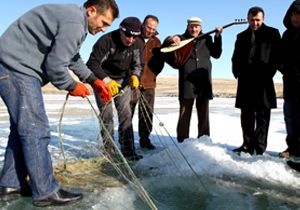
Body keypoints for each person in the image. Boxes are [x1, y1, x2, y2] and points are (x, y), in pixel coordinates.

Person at [0, 0, 119, 207]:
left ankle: (10, 184)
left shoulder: (74, 20)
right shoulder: (74, 22)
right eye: (104, 22)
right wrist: (72, 86)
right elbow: (55, 66)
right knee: (36, 129)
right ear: (91, 11)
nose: (104, 28)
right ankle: (46, 191)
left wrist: (94, 80)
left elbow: (72, 58)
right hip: (17, 69)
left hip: (13, 68)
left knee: (21, 130)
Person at [87, 17, 144, 161]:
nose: (131, 39)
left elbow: (138, 65)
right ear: (121, 31)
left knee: (126, 114)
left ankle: (128, 151)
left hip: (123, 82)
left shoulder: (137, 44)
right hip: (103, 81)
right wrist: (106, 81)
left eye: (135, 36)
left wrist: (136, 76)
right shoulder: (106, 41)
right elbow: (92, 63)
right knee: (107, 116)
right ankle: (109, 152)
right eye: (128, 35)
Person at [163, 17, 222, 143]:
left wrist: (217, 36)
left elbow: (216, 54)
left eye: (197, 26)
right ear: (187, 26)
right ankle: (182, 140)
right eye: (191, 26)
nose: (194, 29)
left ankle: (204, 139)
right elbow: (166, 44)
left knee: (203, 113)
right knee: (185, 112)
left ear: (200, 27)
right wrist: (172, 39)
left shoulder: (207, 38)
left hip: (203, 83)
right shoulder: (181, 38)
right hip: (187, 82)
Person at [231, 6, 281, 155]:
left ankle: (259, 147)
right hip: (245, 82)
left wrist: (269, 73)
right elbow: (235, 57)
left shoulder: (272, 33)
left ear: (263, 19)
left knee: (262, 116)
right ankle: (247, 144)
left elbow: (276, 56)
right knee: (246, 115)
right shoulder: (241, 36)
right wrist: (237, 72)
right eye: (252, 20)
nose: (255, 23)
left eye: (258, 20)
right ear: (247, 19)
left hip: (263, 82)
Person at [131, 15, 164, 150]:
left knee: (147, 113)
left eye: (153, 29)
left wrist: (153, 74)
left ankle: (145, 139)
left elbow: (160, 62)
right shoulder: (133, 38)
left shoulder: (156, 42)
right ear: (143, 25)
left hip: (149, 83)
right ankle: (127, 142)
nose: (150, 31)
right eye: (149, 27)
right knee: (128, 112)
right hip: (132, 83)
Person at [279, 0, 300, 172]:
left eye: (298, 14)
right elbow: (280, 58)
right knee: (291, 119)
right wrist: (284, 69)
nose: (295, 17)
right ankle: (293, 149)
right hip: (290, 86)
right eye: (293, 14)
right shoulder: (286, 35)